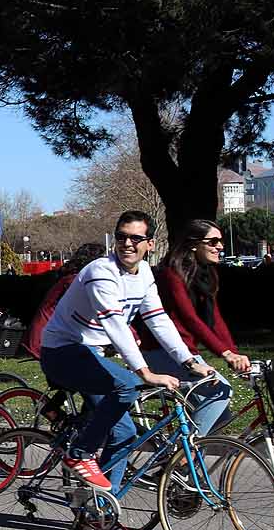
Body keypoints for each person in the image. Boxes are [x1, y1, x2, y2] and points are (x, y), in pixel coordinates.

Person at [39, 210, 212, 495]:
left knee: (125, 434)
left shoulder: (144, 273)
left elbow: (157, 319)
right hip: (62, 352)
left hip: (92, 355)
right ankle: (80, 454)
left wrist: (189, 361)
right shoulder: (100, 272)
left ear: (151, 244)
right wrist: (144, 372)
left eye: (135, 238)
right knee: (128, 385)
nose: (127, 244)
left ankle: (102, 509)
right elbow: (114, 323)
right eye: (121, 237)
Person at [140, 219, 247, 435]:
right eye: (213, 241)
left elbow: (215, 319)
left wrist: (234, 353)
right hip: (162, 350)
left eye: (221, 241)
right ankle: (180, 457)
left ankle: (189, 464)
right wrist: (224, 353)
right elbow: (189, 318)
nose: (220, 246)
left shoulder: (207, 274)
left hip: (185, 351)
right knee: (221, 393)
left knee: (220, 415)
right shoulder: (172, 274)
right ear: (193, 244)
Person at [26, 243, 105, 359]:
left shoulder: (72, 278)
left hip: (55, 335)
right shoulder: (74, 281)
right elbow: (99, 307)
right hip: (49, 338)